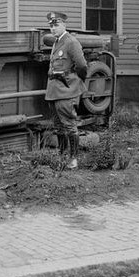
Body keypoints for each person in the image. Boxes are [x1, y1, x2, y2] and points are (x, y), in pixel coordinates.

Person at [44, 12, 88, 169]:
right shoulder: (56, 42)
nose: (53, 28)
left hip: (67, 90)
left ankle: (73, 159)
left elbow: (82, 66)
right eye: (51, 25)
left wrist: (76, 81)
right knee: (59, 126)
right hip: (54, 90)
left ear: (64, 25)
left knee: (69, 125)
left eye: (56, 25)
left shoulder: (70, 42)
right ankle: (62, 157)